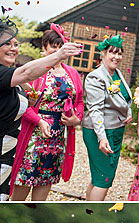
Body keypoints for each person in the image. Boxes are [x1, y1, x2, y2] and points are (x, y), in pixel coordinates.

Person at [0, 18, 81, 200]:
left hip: (57, 136)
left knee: (45, 183)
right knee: (20, 184)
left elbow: (80, 102)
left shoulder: (72, 74)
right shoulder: (35, 70)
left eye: (61, 46)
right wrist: (39, 120)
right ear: (44, 47)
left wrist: (77, 118)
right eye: (54, 46)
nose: (58, 50)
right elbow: (25, 102)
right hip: (33, 136)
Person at [81, 34, 132, 201]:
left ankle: (87, 209)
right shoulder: (96, 77)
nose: (117, 57)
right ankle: (92, 215)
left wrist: (128, 113)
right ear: (103, 53)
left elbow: (124, 100)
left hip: (116, 131)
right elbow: (95, 109)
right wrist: (101, 138)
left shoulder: (117, 74)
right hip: (101, 133)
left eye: (120, 53)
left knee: (99, 177)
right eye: (112, 52)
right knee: (104, 179)